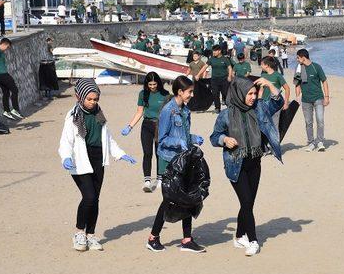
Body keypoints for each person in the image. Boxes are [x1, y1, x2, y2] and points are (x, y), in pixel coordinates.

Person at [58, 78, 136, 251]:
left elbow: (107, 138)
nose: (93, 102)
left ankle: (90, 235)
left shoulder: (99, 113)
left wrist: (121, 154)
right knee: (89, 197)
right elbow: (66, 140)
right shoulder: (73, 116)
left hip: (97, 158)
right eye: (90, 99)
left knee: (95, 199)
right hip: (79, 160)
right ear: (79, 97)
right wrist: (66, 157)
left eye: (96, 99)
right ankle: (79, 232)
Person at [210, 77, 284, 256]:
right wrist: (225, 139)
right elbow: (214, 137)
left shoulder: (259, 108)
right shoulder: (226, 115)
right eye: (249, 94)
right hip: (236, 164)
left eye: (254, 93)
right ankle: (253, 240)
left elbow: (279, 102)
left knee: (248, 203)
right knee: (246, 202)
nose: (253, 97)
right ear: (239, 93)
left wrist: (269, 84)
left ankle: (239, 235)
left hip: (254, 163)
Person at [147, 76, 206, 253]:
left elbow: (184, 135)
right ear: (180, 92)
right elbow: (162, 139)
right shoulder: (168, 111)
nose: (192, 95)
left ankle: (187, 240)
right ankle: (153, 237)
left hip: (184, 158)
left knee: (188, 197)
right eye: (190, 92)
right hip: (169, 161)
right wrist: (178, 142)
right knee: (169, 199)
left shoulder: (185, 110)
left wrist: (193, 138)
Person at [121, 72, 170, 192]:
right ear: (146, 84)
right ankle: (147, 181)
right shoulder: (143, 94)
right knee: (147, 153)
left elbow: (169, 113)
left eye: (154, 84)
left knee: (160, 153)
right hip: (147, 125)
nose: (152, 87)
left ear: (158, 83)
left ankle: (160, 179)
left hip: (160, 126)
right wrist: (130, 126)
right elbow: (139, 112)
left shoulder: (165, 94)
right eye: (150, 84)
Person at [294, 49, 329, 152]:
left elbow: (324, 81)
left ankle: (320, 141)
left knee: (320, 120)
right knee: (308, 122)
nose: (297, 59)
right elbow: (297, 84)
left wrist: (326, 97)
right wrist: (297, 96)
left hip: (318, 98)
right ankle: (311, 142)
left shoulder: (316, 67)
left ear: (303, 57)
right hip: (305, 100)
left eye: (298, 57)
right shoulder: (299, 69)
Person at [259, 56, 290, 131]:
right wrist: (258, 102)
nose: (261, 66)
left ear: (267, 65)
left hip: (274, 103)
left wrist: (286, 103)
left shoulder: (277, 75)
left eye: (262, 64)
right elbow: (261, 90)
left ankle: (275, 141)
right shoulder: (263, 75)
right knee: (263, 123)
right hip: (264, 102)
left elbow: (287, 88)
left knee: (274, 124)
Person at [208, 45, 232, 114]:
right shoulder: (211, 59)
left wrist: (229, 76)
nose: (214, 52)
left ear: (219, 51)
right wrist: (198, 74)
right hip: (214, 80)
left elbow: (230, 68)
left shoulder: (225, 59)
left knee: (225, 93)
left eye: (215, 51)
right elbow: (205, 66)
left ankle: (229, 107)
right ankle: (217, 108)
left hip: (224, 79)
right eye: (213, 51)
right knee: (215, 94)